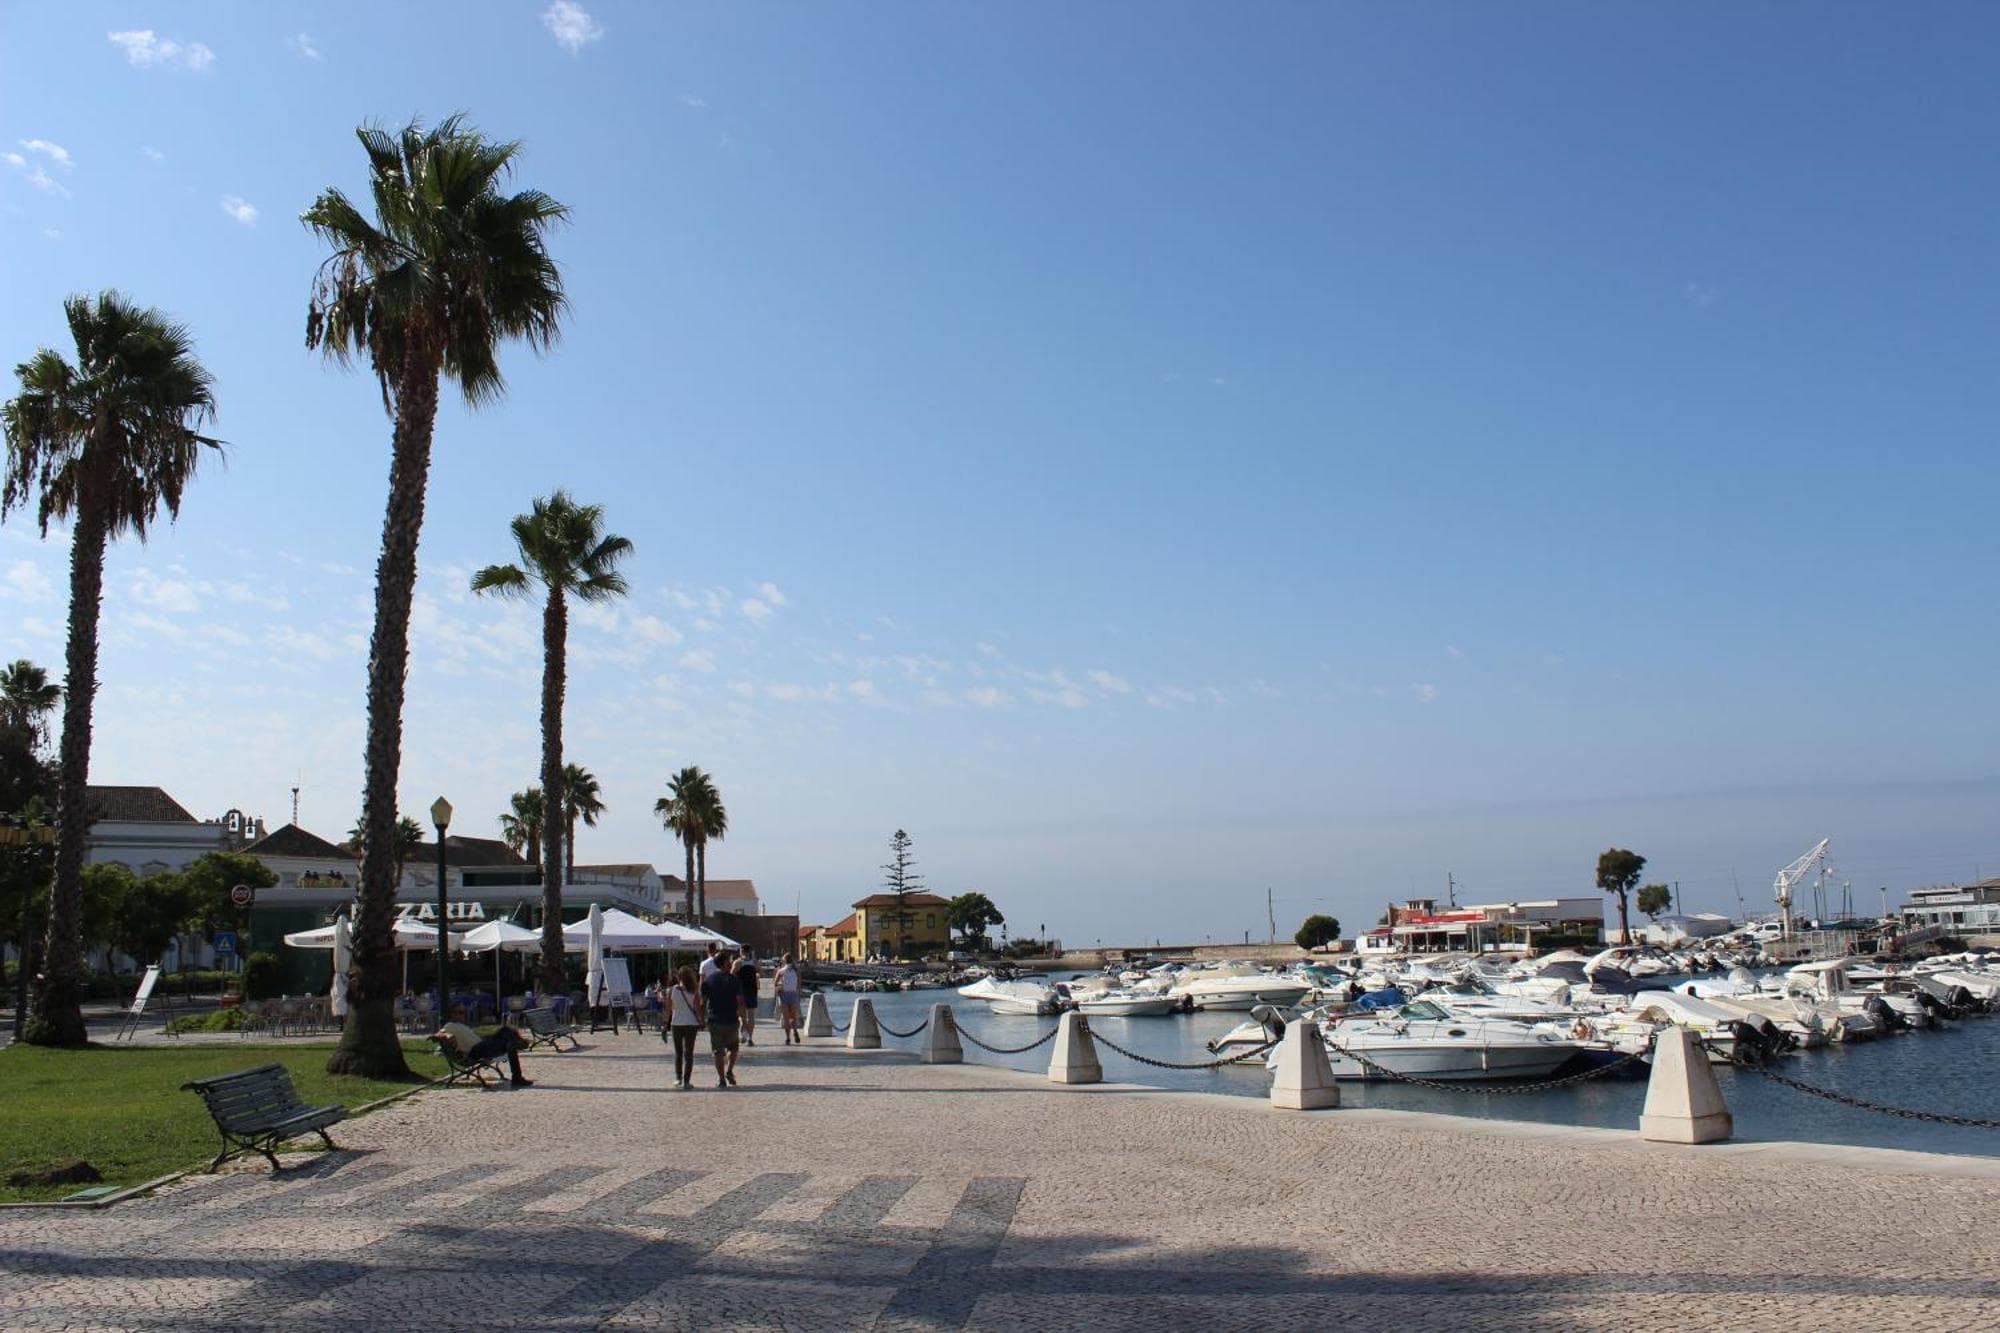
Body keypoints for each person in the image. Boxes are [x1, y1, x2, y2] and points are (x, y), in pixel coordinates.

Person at [700, 951, 747, 1087]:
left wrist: (702, 1019)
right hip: (731, 1020)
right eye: (729, 960)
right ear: (725, 963)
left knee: (718, 1052)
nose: (731, 962)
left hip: (714, 1020)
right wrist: (744, 1021)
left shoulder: (709, 980)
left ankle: (721, 1079)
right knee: (733, 1048)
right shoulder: (734, 980)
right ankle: (729, 1071)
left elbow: (703, 1002)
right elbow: (740, 1002)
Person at [435, 1024, 533, 1088]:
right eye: (457, 1012)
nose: (460, 1015)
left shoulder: (461, 1025)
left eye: (461, 1012)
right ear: (452, 1014)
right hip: (475, 1051)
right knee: (510, 1043)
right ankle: (516, 1043)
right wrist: (448, 1036)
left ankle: (513, 1042)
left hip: (481, 1044)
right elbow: (439, 1033)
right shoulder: (449, 1025)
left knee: (505, 1030)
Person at [664, 965, 702, 1089]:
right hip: (691, 1023)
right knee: (689, 1053)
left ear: (678, 977)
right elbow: (697, 1009)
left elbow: (668, 1009)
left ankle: (678, 1078)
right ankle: (687, 1081)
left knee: (678, 1053)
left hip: (676, 1023)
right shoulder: (694, 991)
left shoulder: (671, 990)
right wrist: (701, 1020)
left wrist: (665, 1024)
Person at [775, 954, 802, 1043]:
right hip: (793, 994)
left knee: (786, 1018)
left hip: (784, 995)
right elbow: (799, 984)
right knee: (793, 1016)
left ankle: (788, 1038)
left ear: (784, 961)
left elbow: (775, 983)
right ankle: (795, 1031)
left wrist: (780, 985)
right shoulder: (797, 970)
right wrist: (798, 993)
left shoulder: (781, 971)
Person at [736, 955, 760, 1046]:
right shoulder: (754, 962)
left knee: (742, 1016)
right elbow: (761, 973)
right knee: (751, 1016)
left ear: (742, 951)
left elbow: (731, 975)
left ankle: (744, 1034)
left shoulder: (738, 963)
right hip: (752, 991)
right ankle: (750, 1037)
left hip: (741, 992)